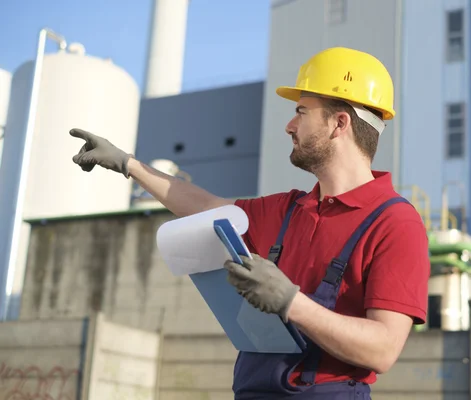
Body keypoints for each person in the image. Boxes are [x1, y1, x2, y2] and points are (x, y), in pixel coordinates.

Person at [70, 47, 430, 399]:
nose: (290, 126)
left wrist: (290, 302)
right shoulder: (288, 210)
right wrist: (128, 164)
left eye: (302, 112)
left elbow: (383, 350)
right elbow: (204, 206)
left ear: (340, 123)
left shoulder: (395, 223)